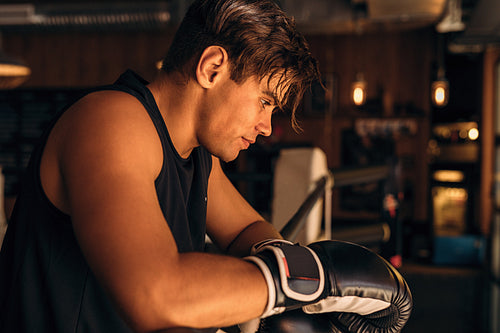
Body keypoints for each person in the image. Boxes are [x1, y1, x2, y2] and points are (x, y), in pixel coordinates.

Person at [0, 1, 413, 332]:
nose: (268, 126)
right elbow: (155, 295)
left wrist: (288, 282)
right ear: (212, 68)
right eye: (265, 101)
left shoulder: (198, 154)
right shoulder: (111, 123)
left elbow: (246, 231)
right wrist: (305, 279)